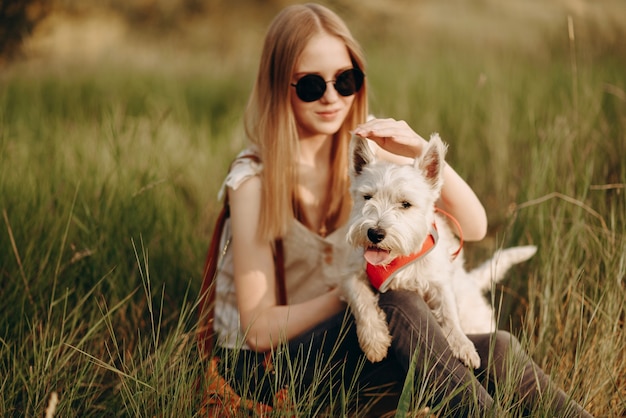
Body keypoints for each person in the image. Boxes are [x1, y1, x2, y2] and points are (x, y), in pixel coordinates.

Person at [206, 3, 593, 416]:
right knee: (399, 298)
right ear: (277, 86)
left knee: (497, 347)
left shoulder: (370, 151)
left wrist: (414, 146)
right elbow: (258, 329)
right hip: (278, 364)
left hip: (365, 338)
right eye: (311, 86)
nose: (332, 98)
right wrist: (360, 289)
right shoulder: (253, 181)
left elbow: (475, 226)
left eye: (346, 80)